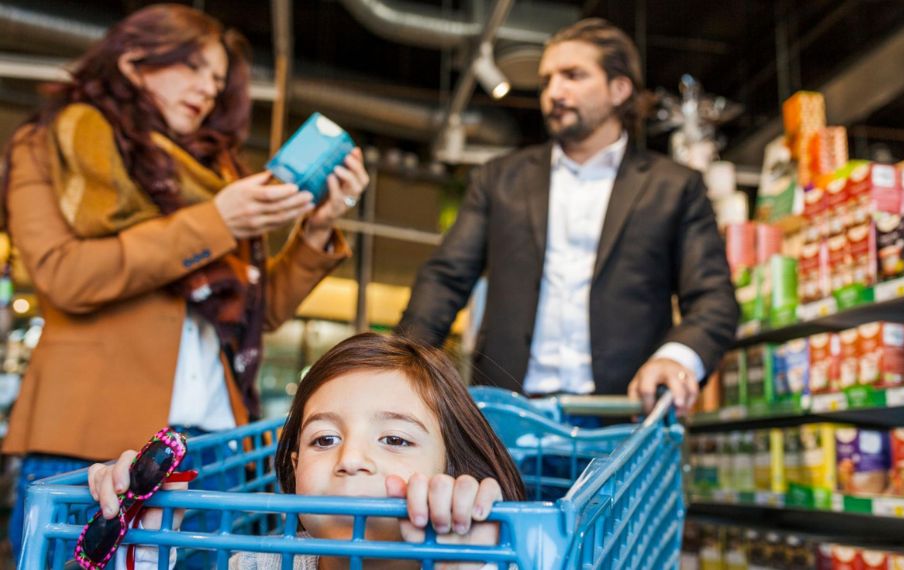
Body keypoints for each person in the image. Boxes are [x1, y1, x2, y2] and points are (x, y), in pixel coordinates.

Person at [0, 4, 369, 559]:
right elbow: (64, 274)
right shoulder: (48, 142)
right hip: (93, 446)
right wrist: (219, 220)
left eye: (218, 81)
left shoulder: (221, 173)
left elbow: (257, 313)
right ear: (133, 61)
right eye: (193, 68)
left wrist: (315, 231)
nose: (208, 90)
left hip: (216, 452)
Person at [397, 18, 738, 413]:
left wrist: (676, 358)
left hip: (623, 418)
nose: (554, 92)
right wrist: (403, 365)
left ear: (619, 89)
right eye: (546, 81)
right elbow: (445, 278)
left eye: (573, 76)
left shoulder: (675, 187)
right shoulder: (499, 178)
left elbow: (714, 299)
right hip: (506, 418)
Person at [88, 332, 526, 569]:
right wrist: (142, 548)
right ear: (295, 468)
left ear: (451, 469)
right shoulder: (261, 563)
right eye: (324, 440)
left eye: (395, 439)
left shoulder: (488, 560)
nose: (351, 459)